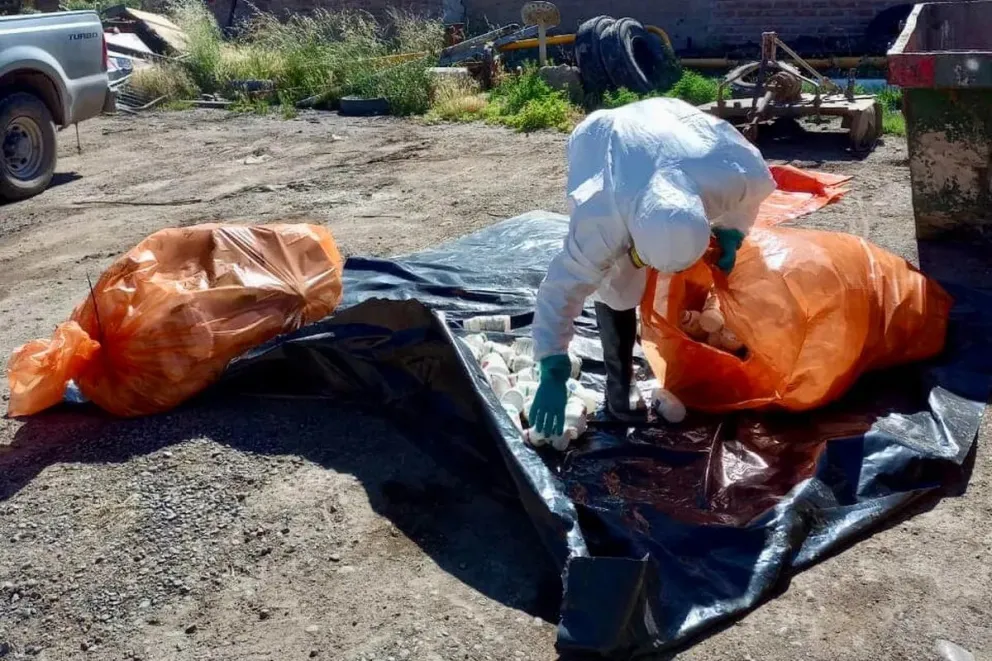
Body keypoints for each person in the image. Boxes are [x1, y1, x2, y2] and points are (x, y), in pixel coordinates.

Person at [529, 97, 776, 437]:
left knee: (631, 277)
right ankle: (620, 383)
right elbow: (561, 288)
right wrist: (553, 364)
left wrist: (732, 232)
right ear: (632, 234)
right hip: (600, 137)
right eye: (644, 257)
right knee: (617, 287)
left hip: (667, 122)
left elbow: (755, 191)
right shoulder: (600, 218)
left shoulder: (734, 173)